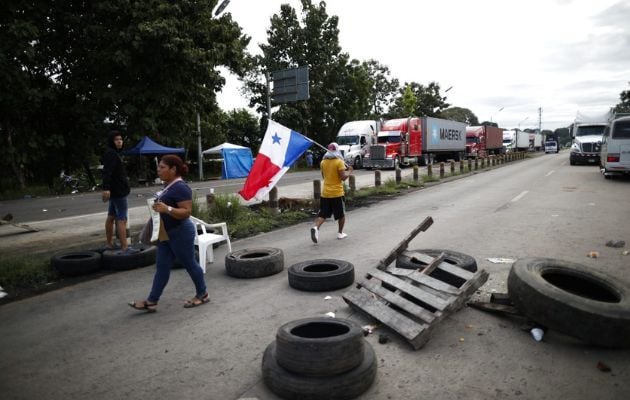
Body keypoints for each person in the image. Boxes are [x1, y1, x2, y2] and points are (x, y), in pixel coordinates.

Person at [128, 154, 208, 313]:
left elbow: (186, 212)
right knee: (162, 267)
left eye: (162, 167)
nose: (158, 170)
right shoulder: (168, 186)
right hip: (166, 233)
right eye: (159, 167)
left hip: (180, 232)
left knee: (190, 263)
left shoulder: (181, 187)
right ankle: (152, 301)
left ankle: (203, 294)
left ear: (173, 169)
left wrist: (167, 209)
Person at [310, 142, 353, 243]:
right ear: (337, 150)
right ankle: (340, 233)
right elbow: (343, 178)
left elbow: (324, 177)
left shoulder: (323, 162)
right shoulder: (339, 162)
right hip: (337, 193)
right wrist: (350, 171)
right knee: (341, 214)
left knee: (323, 214)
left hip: (325, 193)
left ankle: (316, 228)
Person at [102, 130, 134, 252]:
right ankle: (125, 247)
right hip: (118, 191)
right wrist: (106, 188)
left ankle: (109, 244)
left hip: (115, 191)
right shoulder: (112, 154)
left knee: (111, 216)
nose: (120, 141)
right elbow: (106, 172)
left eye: (121, 139)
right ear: (111, 141)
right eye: (116, 139)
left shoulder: (113, 153)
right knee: (122, 218)